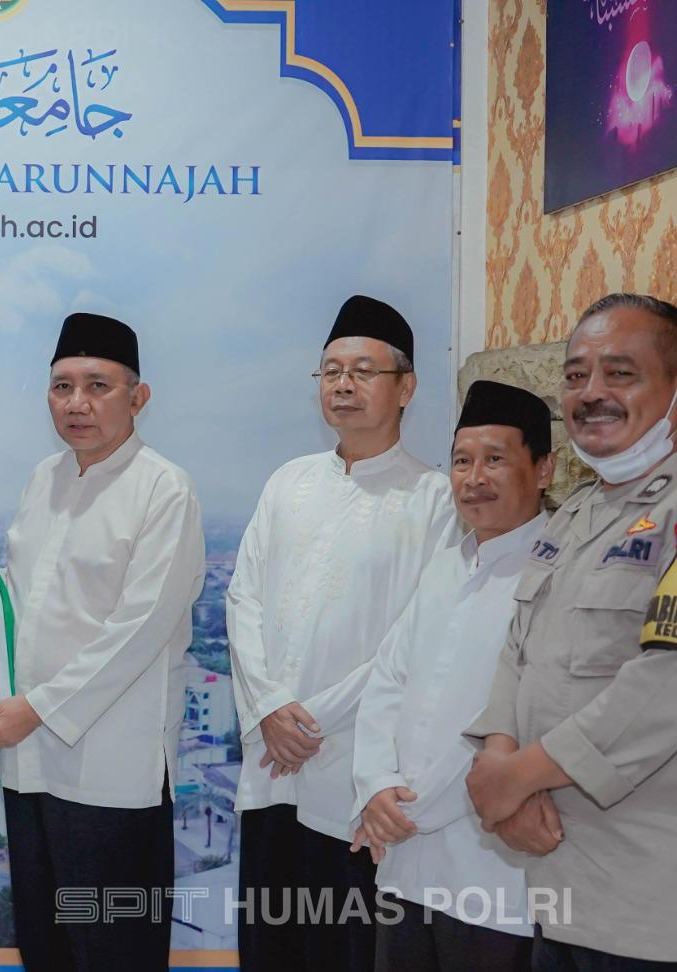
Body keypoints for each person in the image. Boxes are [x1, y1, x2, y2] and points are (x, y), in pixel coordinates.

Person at [0, 312, 206, 972]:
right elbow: (14, 602)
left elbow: (140, 628)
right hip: (28, 760)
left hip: (111, 770)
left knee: (112, 950)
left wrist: (38, 708)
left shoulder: (163, 488)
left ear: (138, 396)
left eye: (98, 385)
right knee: (46, 947)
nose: (77, 403)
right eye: (62, 386)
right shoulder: (43, 479)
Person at [227, 295, 458, 971]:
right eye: (330, 371)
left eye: (362, 371)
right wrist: (270, 709)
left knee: (346, 948)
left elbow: (415, 638)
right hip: (272, 764)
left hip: (356, 773)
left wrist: (311, 722)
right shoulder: (287, 482)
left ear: (405, 386)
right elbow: (242, 598)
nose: (343, 384)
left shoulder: (436, 500)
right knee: (269, 945)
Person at [466, 293, 677, 969]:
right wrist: (499, 764)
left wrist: (519, 776)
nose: (591, 393)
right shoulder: (578, 511)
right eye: (577, 375)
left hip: (649, 906)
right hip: (558, 892)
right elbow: (518, 649)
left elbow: (663, 686)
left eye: (620, 373)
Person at [350, 380, 554, 972]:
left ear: (543, 469)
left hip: (490, 869)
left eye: (495, 460)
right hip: (404, 862)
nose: (474, 478)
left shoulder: (556, 571)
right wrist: (375, 785)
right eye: (462, 462)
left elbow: (510, 717)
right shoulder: (445, 566)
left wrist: (406, 811)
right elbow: (387, 683)